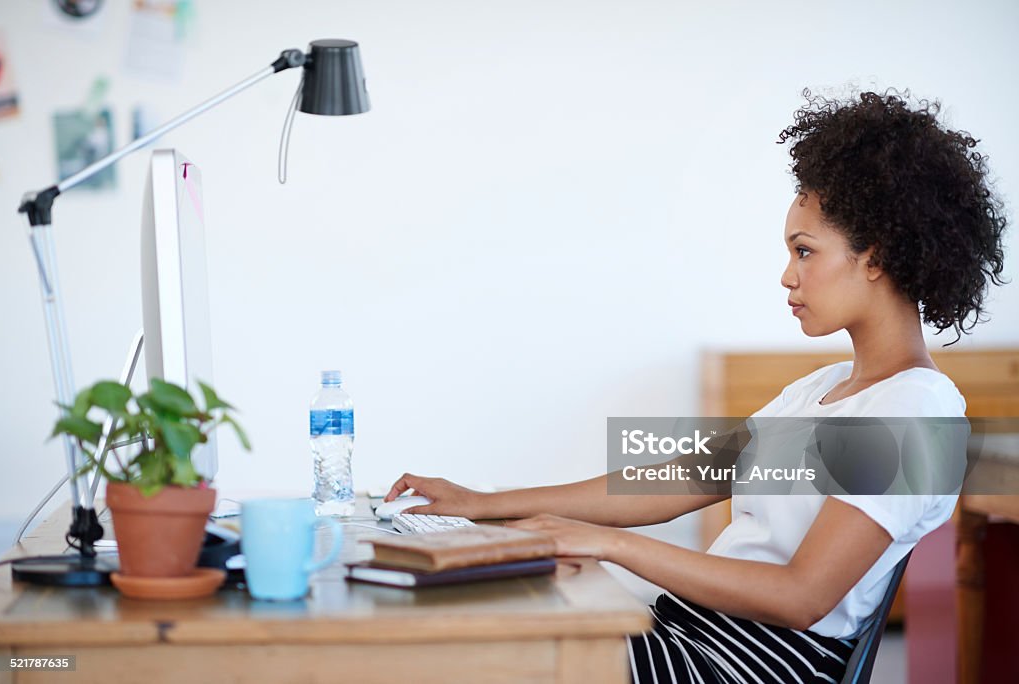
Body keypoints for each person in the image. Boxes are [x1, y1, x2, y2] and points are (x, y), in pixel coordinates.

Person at [382, 89, 1008, 683]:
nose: (787, 276)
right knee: (481, 625)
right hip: (691, 634)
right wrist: (483, 503)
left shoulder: (916, 410)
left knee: (481, 652)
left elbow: (802, 596)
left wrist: (604, 545)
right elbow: (674, 478)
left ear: (877, 256)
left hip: (751, 665)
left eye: (805, 251)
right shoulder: (821, 389)